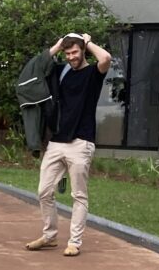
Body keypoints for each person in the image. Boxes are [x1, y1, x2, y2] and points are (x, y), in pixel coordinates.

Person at [25, 32, 112, 257]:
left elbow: (105, 59)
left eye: (75, 52)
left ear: (82, 50)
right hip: (57, 141)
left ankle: (75, 242)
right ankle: (49, 235)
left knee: (78, 195)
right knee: (44, 191)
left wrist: (89, 41)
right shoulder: (60, 71)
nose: (72, 57)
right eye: (68, 53)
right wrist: (56, 46)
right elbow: (34, 68)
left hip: (81, 142)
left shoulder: (93, 73)